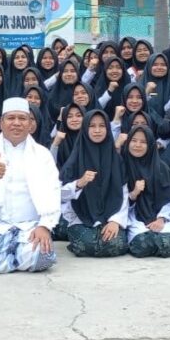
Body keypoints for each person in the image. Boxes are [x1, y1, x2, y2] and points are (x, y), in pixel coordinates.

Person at [0, 98, 60, 275]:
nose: (16, 123)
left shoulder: (42, 154)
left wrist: (45, 225)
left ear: (30, 124)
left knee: (43, 260)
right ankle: (17, 254)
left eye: (22, 119)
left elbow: (53, 191)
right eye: (11, 118)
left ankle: (9, 253)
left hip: (30, 224)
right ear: (1, 123)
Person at [59, 110, 129, 258]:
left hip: (110, 215)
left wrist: (115, 221)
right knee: (87, 243)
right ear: (85, 129)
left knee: (116, 244)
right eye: (92, 126)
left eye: (102, 126)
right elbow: (59, 194)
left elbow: (123, 193)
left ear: (107, 129)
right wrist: (79, 183)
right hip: (80, 217)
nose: (97, 130)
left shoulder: (116, 160)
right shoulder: (75, 159)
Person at [122, 126, 170, 258]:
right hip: (135, 219)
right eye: (134, 140)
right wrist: (134, 193)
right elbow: (116, 200)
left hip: (162, 219)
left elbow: (169, 198)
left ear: (150, 145)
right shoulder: (122, 166)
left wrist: (161, 219)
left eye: (143, 142)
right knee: (142, 246)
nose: (137, 145)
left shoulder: (161, 168)